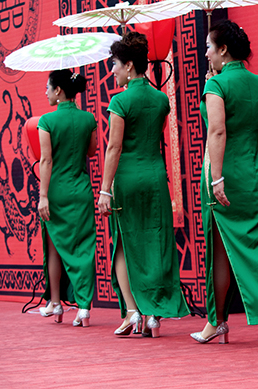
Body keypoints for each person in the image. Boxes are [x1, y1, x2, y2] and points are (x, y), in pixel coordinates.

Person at [190, 20, 258, 346]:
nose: (206, 54)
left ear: (223, 50)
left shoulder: (216, 86)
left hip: (224, 173)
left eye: (208, 47)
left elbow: (218, 131)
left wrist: (215, 177)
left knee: (218, 251)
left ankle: (215, 322)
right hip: (253, 170)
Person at [97, 31, 189, 337]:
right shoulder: (162, 99)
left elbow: (115, 147)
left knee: (124, 243)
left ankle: (133, 311)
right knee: (155, 244)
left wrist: (105, 189)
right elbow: (157, 135)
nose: (112, 70)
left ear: (130, 65)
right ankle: (154, 315)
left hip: (127, 179)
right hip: (155, 177)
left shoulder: (120, 101)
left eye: (116, 64)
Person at [36, 70, 97, 327]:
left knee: (54, 247)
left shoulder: (46, 121)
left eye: (48, 87)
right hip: (81, 189)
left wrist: (42, 196)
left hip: (56, 191)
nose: (46, 92)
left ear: (59, 91)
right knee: (84, 247)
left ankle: (56, 303)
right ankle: (83, 308)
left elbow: (46, 160)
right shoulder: (88, 119)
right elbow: (92, 152)